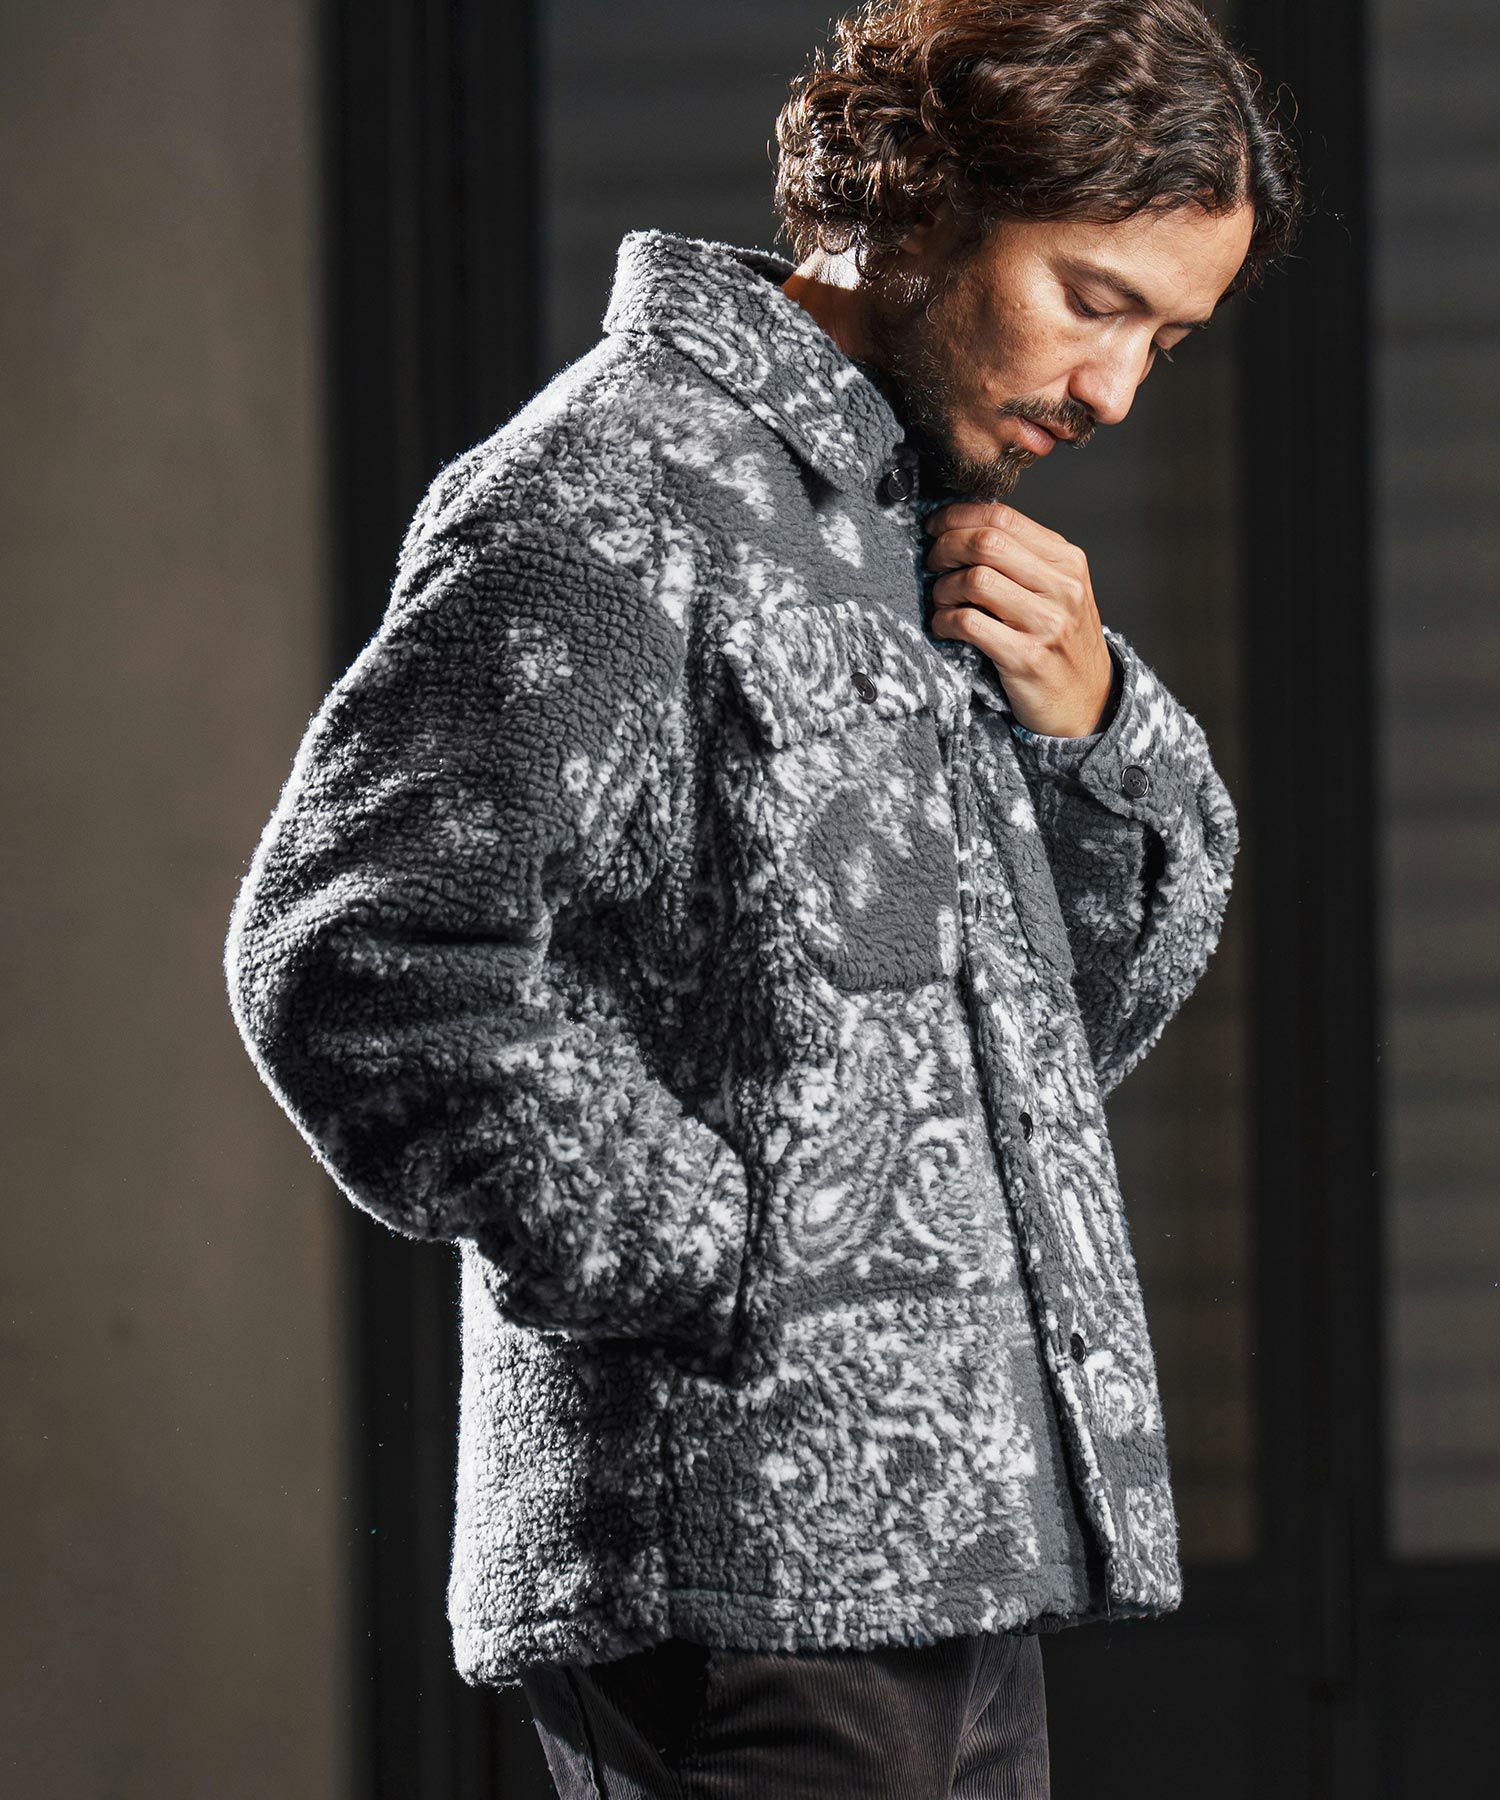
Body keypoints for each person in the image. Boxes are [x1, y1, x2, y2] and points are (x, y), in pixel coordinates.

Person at [224, 0, 1303, 1792]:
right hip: (734, 1565)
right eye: (1092, 300)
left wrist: (1092, 730)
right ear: (918, 200)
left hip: (968, 1563)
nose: (1114, 390)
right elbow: (359, 952)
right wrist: (724, 1262)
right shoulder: (609, 491)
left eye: (1165, 343)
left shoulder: (911, 537)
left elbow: (1046, 1045)